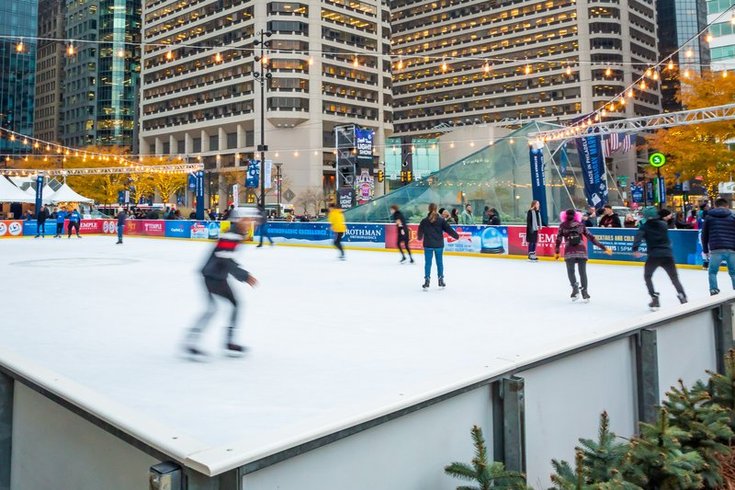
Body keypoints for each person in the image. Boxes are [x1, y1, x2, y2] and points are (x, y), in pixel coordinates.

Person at [185, 208, 259, 358]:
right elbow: (224, 258)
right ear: (240, 220)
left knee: (230, 305)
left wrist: (243, 274)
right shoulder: (232, 235)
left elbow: (226, 258)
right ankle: (191, 343)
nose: (252, 223)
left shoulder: (236, 234)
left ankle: (227, 342)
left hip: (217, 275)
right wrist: (244, 275)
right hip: (212, 275)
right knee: (213, 309)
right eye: (248, 219)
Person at [633, 207, 688, 310]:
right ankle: (682, 295)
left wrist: (635, 249)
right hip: (667, 255)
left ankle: (654, 298)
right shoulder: (663, 225)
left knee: (648, 276)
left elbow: (638, 238)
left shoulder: (644, 227)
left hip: (654, 256)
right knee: (674, 278)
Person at [555, 209, 611, 302]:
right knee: (582, 272)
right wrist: (604, 248)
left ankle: (575, 289)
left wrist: (557, 252)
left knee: (571, 271)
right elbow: (591, 238)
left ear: (564, 216)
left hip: (569, 251)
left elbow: (558, 240)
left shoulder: (562, 226)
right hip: (581, 251)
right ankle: (585, 292)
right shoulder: (580, 225)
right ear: (576, 215)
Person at [418, 203, 459, 290]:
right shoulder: (441, 220)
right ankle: (440, 279)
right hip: (438, 245)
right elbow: (449, 229)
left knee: (428, 263)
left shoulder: (424, 221)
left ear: (428, 209)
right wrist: (456, 236)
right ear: (436, 209)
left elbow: (420, 233)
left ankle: (427, 280)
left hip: (428, 244)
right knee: (439, 263)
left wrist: (419, 237)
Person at [701, 198, 735, 296]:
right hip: (732, 249)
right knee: (733, 272)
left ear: (715, 206)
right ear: (727, 206)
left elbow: (704, 235)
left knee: (712, 272)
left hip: (716, 249)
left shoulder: (709, 217)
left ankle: (713, 290)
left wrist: (705, 250)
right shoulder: (733, 217)